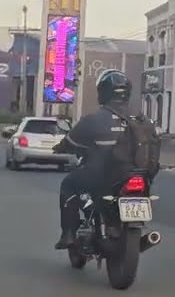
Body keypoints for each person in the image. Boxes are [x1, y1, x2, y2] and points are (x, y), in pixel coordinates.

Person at [53, 71, 133, 250]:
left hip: (103, 174)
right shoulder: (141, 119)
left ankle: (68, 234)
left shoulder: (94, 119)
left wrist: (60, 147)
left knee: (68, 185)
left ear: (103, 92)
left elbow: (70, 142)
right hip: (136, 174)